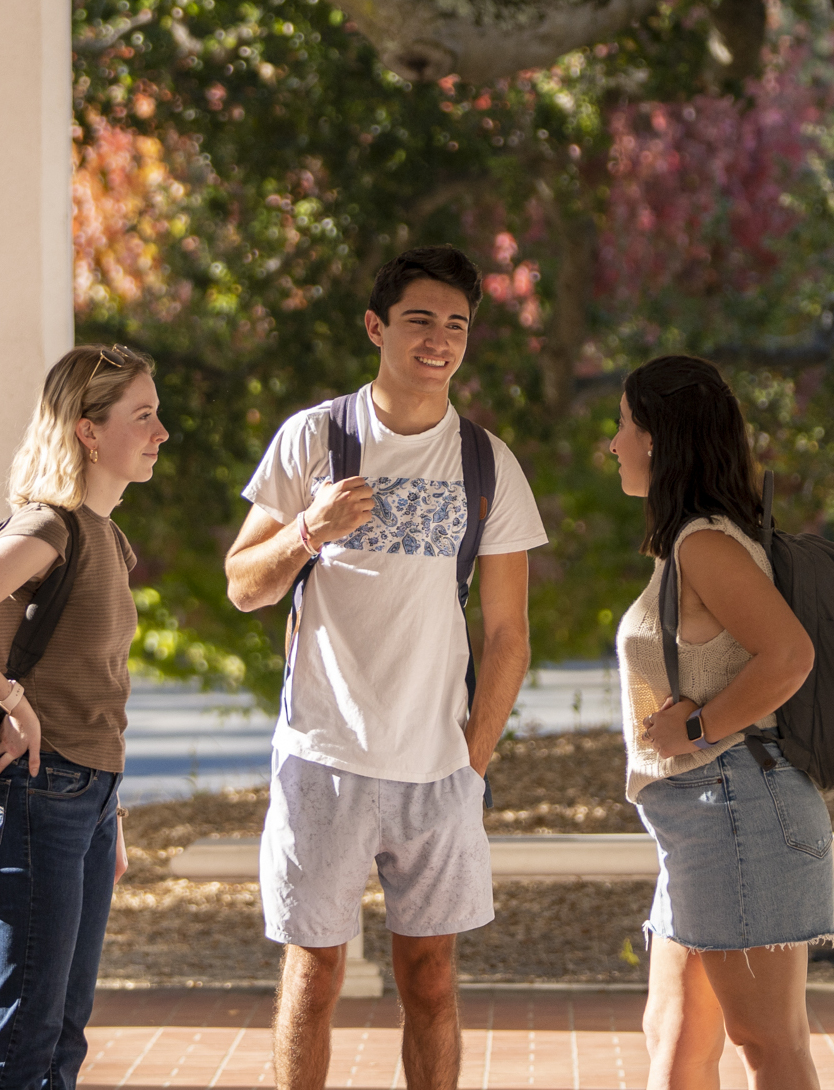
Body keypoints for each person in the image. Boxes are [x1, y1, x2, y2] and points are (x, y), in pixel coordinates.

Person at [226, 245, 548, 1090]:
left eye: (456, 325)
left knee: (432, 978)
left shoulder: (487, 463)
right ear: (376, 327)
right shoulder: (314, 439)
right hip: (321, 758)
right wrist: (307, 531)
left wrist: (471, 760)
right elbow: (241, 587)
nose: (438, 339)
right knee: (314, 975)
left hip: (435, 769)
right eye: (418, 320)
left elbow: (508, 634)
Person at [0, 345, 167, 1090]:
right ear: (88, 431)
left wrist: (107, 815)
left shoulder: (108, 539)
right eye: (141, 416)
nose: (161, 432)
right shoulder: (49, 531)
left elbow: (92, 686)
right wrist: (11, 702)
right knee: (24, 1037)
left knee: (60, 1037)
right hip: (37, 801)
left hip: (84, 799)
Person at [608, 355, 828, 1090]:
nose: (613, 444)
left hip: (736, 803)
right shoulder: (688, 544)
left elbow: (788, 656)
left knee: (766, 1040)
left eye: (623, 425)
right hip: (701, 817)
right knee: (673, 1041)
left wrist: (696, 728)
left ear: (659, 441)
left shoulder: (704, 543)